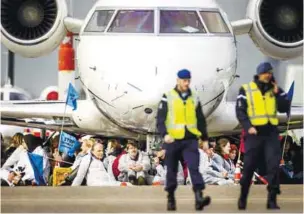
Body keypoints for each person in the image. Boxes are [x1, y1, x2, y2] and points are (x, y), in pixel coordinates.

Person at [235, 62, 290, 210]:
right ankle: (243, 197)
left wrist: (279, 93)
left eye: (270, 73)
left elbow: (285, 107)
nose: (269, 75)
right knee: (249, 167)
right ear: (259, 74)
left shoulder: (275, 90)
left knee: (273, 167)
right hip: (254, 134)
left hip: (271, 133)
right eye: (266, 73)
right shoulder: (246, 89)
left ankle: (272, 200)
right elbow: (240, 111)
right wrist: (248, 127)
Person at [157, 68, 211, 211]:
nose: (186, 83)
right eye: (184, 80)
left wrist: (205, 139)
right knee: (172, 170)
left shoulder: (194, 97)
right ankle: (171, 198)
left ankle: (199, 197)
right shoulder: (167, 97)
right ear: (178, 81)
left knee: (194, 167)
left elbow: (200, 119)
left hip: (190, 139)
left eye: (188, 80)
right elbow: (160, 119)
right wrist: (164, 135)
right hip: (173, 140)